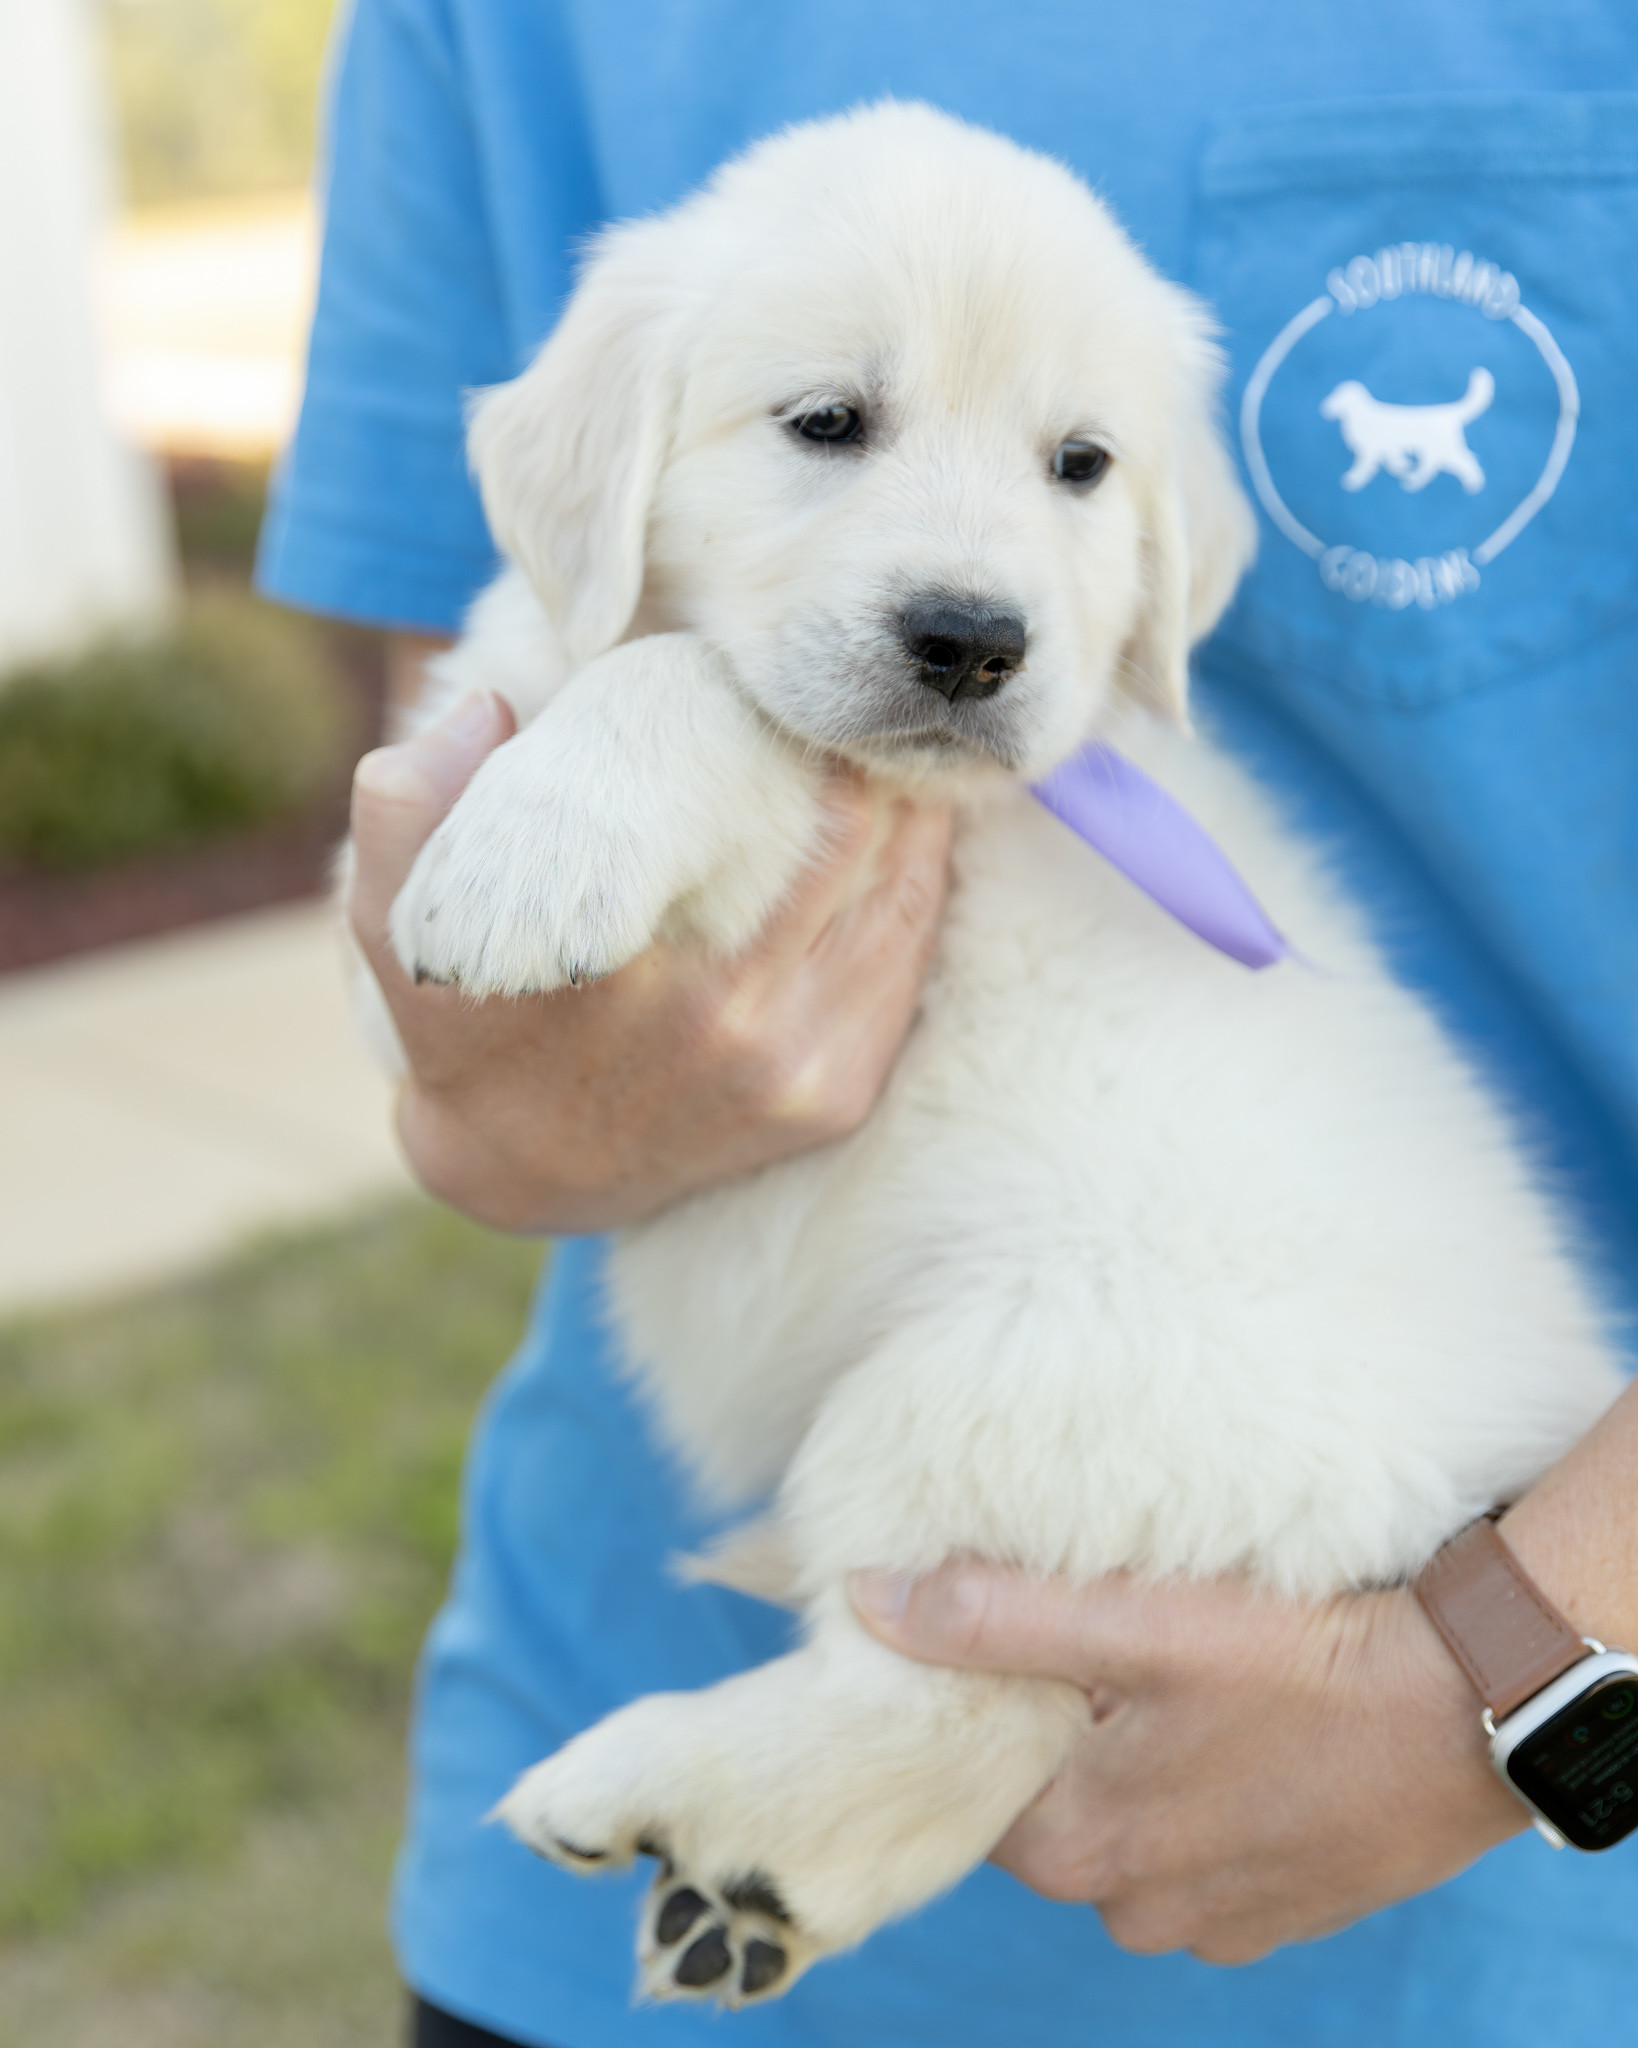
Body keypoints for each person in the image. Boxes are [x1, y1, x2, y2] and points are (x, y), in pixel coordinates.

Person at [257, 6, 1638, 2043]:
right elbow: (451, 950)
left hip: (1450, 1804)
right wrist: (496, 1093)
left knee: (986, 1405)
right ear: (609, 453)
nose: (974, 587)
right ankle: (878, 1750)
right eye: (829, 425)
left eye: (1078, 470)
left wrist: (1515, 1677)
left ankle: (901, 1745)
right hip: (570, 1802)